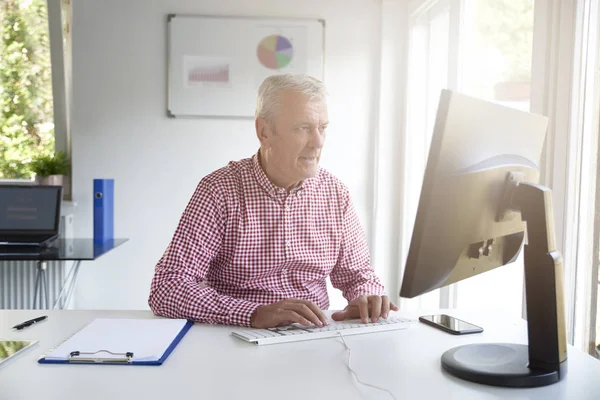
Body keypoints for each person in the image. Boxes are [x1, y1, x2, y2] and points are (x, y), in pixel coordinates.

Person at [148, 73, 397, 328]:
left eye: (322, 128)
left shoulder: (335, 194)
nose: (318, 142)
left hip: (314, 336)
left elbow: (358, 275)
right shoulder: (219, 191)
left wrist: (366, 297)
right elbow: (167, 288)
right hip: (235, 336)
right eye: (302, 128)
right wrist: (252, 313)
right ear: (264, 131)